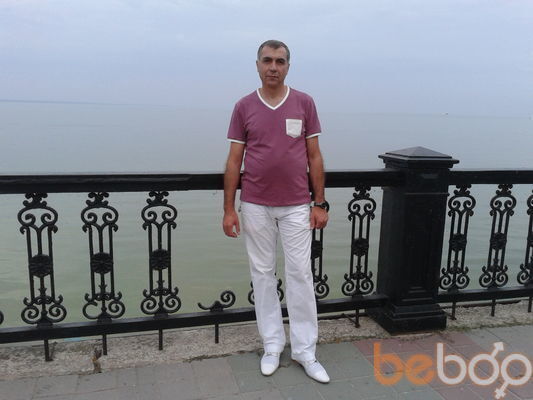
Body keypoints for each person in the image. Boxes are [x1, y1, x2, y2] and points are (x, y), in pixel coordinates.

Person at [222, 40, 330, 383]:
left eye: (280, 61)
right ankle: (272, 344)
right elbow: (234, 160)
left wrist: (319, 202)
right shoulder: (244, 106)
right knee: (262, 274)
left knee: (300, 273)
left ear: (288, 66)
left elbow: (314, 155)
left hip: (297, 205)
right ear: (257, 65)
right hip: (255, 204)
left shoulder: (304, 102)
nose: (273, 67)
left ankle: (305, 350)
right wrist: (228, 209)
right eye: (267, 60)